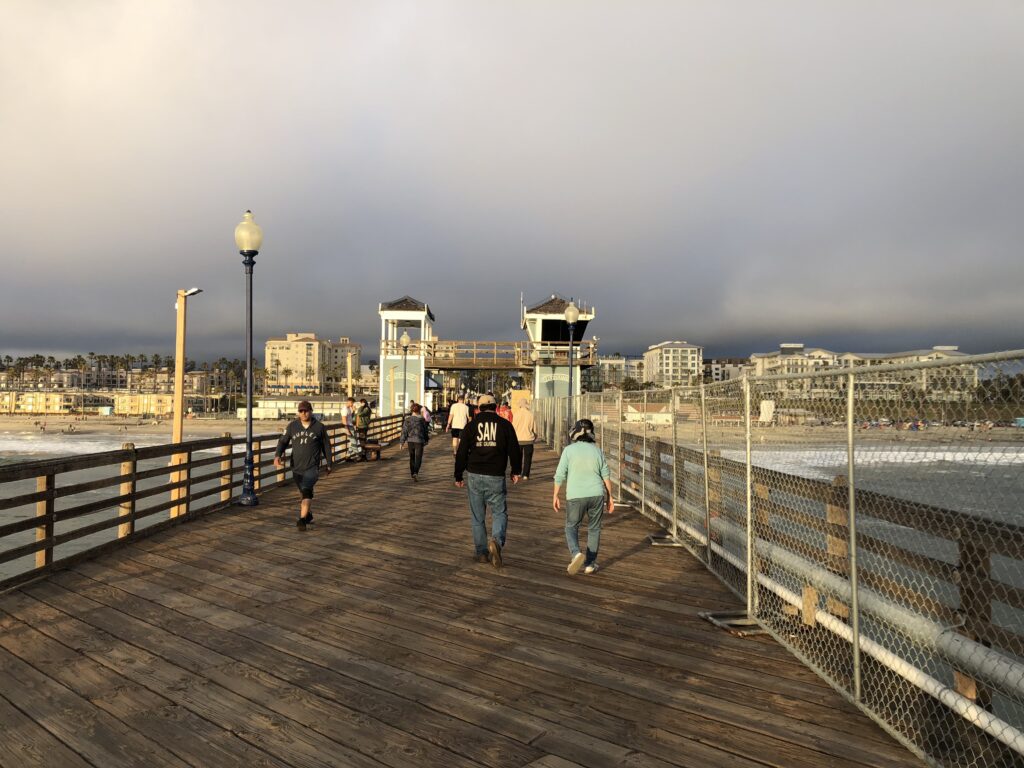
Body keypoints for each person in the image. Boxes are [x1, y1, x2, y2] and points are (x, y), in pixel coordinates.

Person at [454, 394, 521, 568]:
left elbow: (461, 452)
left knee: (477, 517)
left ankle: (482, 553)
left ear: (479, 408)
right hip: (496, 475)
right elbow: (514, 449)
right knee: (499, 512)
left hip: (474, 474)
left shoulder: (471, 426)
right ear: (496, 406)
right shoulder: (505, 425)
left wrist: (458, 475)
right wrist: (516, 471)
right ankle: (497, 542)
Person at [553, 418, 614, 575]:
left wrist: (555, 495)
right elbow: (606, 474)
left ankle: (576, 554)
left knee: (571, 526)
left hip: (575, 496)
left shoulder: (569, 450)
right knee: (594, 529)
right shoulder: (597, 451)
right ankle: (590, 564)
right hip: (596, 494)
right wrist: (610, 497)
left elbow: (559, 475)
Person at [274, 400, 333, 531]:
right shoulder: (292, 426)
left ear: (311, 411)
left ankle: (301, 520)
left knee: (306, 490)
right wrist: (277, 455)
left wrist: (329, 463)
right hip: (296, 466)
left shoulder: (319, 427)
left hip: (312, 466)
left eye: (306, 410)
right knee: (303, 493)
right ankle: (308, 514)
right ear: (298, 412)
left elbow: (326, 446)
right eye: (301, 411)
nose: (304, 413)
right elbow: (283, 441)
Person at [401, 403, 429, 481]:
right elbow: (425, 431)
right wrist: (426, 440)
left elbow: (404, 431)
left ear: (411, 410)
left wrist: (401, 442)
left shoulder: (407, 420)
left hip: (410, 440)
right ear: (419, 410)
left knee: (412, 457)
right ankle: (415, 472)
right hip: (419, 440)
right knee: (418, 457)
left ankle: (412, 472)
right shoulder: (422, 420)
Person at [512, 399, 537, 480]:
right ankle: (525, 475)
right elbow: (535, 428)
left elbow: (513, 427)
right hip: (528, 439)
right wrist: (535, 437)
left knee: (518, 457)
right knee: (528, 458)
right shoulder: (531, 414)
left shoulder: (516, 414)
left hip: (518, 440)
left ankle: (518, 472)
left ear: (520, 405)